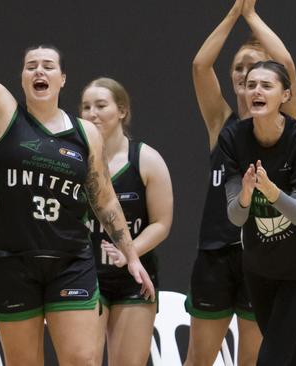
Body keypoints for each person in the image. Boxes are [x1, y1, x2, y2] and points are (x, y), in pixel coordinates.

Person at [0, 1, 153, 365]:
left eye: (48, 66)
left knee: (83, 360)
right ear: (23, 78)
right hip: (13, 262)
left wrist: (132, 256)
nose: (39, 71)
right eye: (31, 66)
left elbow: (104, 199)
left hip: (70, 261)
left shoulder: (85, 133)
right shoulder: (2, 114)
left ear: (62, 79)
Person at [185, 0, 296, 364]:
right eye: (238, 68)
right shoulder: (221, 121)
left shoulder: (285, 122)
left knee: (250, 360)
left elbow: (289, 66)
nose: (244, 75)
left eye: (253, 67)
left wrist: (252, 16)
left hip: (263, 254)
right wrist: (235, 13)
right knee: (198, 359)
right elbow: (201, 65)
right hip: (216, 252)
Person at [220, 60, 296, 365]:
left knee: (270, 358)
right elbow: (236, 217)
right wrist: (245, 194)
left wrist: (270, 191)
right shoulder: (233, 139)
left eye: (267, 85)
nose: (256, 91)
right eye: (251, 85)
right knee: (286, 354)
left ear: (286, 95)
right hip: (259, 267)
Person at [80, 77, 173, 366]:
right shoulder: (72, 158)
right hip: (84, 275)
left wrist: (128, 251)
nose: (92, 113)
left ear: (122, 110)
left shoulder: (147, 159)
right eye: (85, 107)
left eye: (101, 105)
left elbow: (161, 222)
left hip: (134, 279)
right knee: (84, 360)